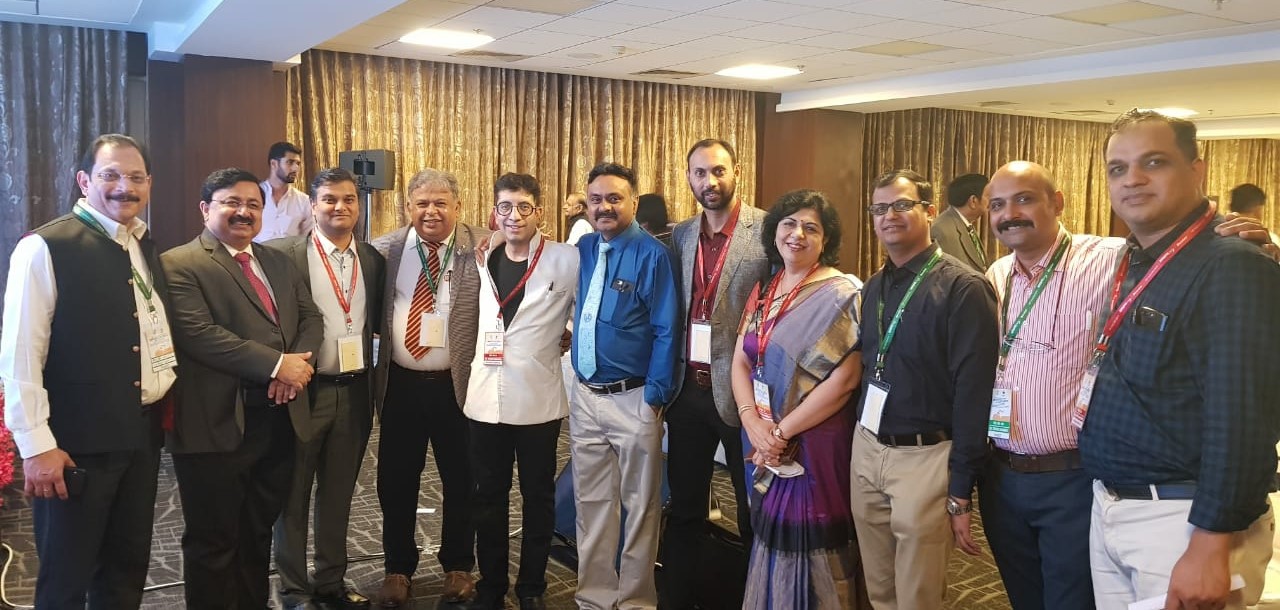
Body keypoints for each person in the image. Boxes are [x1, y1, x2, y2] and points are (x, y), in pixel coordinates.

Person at [1078, 109, 1280, 609]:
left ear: (1197, 170)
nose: (1132, 179)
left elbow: (1242, 419)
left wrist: (1211, 541)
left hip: (1183, 521)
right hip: (1116, 506)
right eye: (1118, 168)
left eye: (1154, 162)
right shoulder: (1133, 258)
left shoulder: (1231, 264)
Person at [0, 134, 174, 609]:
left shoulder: (141, 243)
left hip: (139, 437)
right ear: (84, 181)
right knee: (66, 578)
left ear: (149, 184)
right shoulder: (45, 247)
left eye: (136, 177)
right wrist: (36, 446)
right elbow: (19, 356)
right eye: (110, 175)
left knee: (125, 572)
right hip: (73, 448)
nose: (125, 187)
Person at [162, 167, 324, 609]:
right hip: (216, 424)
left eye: (253, 204)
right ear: (205, 209)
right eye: (231, 202)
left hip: (278, 420)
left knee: (256, 532)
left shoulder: (277, 260)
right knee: (213, 540)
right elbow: (199, 335)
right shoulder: (179, 264)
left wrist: (296, 369)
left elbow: (311, 319)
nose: (243, 212)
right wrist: (278, 366)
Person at [850, 169, 999, 610]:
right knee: (879, 591)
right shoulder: (874, 286)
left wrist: (962, 486)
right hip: (868, 447)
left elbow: (974, 394)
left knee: (918, 595)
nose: (889, 216)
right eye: (880, 208)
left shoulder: (963, 288)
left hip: (926, 457)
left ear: (930, 211)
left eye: (902, 205)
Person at [730, 189, 868, 609]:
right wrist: (752, 422)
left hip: (813, 442)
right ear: (774, 231)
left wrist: (780, 433)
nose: (798, 234)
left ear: (826, 240)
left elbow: (845, 380)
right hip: (762, 435)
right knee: (770, 532)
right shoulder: (765, 287)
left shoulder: (844, 293)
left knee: (811, 537)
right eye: (789, 224)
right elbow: (740, 359)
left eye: (811, 228)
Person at [268, 167, 385, 610]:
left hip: (355, 392)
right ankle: (294, 590)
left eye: (349, 199)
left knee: (338, 494)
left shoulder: (371, 259)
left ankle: (331, 581)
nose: (340, 207)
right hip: (304, 393)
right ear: (313, 206)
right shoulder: (284, 255)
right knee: (293, 495)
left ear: (358, 205)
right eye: (330, 199)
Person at [660, 138, 770, 609]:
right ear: (689, 177)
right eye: (700, 173)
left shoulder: (767, 230)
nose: (710, 181)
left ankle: (754, 598)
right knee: (685, 507)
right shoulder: (682, 235)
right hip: (688, 392)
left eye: (719, 171)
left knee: (751, 511)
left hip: (743, 396)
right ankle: (677, 598)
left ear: (736, 172)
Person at [370, 168, 488, 607]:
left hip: (458, 385)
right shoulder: (384, 250)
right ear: (408, 207)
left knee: (463, 478)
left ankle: (458, 565)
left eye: (441, 203)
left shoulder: (483, 246)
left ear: (458, 206)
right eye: (422, 203)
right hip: (401, 385)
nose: (431, 211)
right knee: (396, 480)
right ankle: (398, 568)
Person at [465, 173, 579, 610]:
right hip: (486, 398)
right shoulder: (480, 256)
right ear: (495, 212)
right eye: (506, 207)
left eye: (524, 207)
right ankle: (491, 585)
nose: (514, 216)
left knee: (538, 498)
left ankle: (532, 587)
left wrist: (569, 333)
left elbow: (588, 309)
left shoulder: (567, 259)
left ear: (539, 213)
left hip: (537, 400)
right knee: (487, 498)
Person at [570, 162, 680, 610]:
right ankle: (594, 598)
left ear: (633, 202)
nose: (604, 207)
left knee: (640, 508)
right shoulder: (584, 248)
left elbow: (667, 330)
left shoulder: (653, 255)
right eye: (596, 199)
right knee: (591, 504)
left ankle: (635, 601)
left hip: (634, 399)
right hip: (585, 398)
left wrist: (654, 397)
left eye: (614, 198)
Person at [931, 173, 990, 272]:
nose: (992, 201)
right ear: (973, 201)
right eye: (989, 196)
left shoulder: (965, 224)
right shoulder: (942, 231)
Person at [256, 141, 313, 242]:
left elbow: (308, 239)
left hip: (290, 252)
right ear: (274, 164)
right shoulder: (254, 195)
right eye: (290, 162)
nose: (296, 168)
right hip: (256, 251)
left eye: (298, 163)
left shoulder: (304, 201)